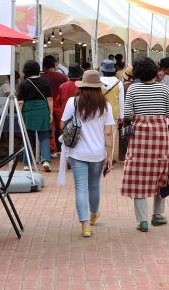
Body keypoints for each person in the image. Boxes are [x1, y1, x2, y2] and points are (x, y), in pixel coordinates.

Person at [121, 57, 169, 232]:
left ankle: (142, 221)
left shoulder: (133, 89)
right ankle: (157, 215)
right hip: (160, 139)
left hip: (139, 140)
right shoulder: (164, 89)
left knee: (138, 177)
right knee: (161, 175)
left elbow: (127, 114)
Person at [59, 70, 115, 237]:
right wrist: (110, 156)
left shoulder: (73, 102)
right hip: (98, 153)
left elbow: (62, 125)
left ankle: (85, 226)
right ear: (99, 87)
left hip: (77, 152)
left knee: (80, 188)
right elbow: (108, 133)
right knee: (94, 185)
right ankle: (93, 215)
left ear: (82, 86)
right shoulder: (106, 105)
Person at [17, 60, 53, 172]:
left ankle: (27, 164)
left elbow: (20, 102)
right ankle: (46, 160)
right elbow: (50, 99)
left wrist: (19, 115)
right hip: (42, 111)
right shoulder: (45, 82)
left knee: (28, 138)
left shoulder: (24, 83)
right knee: (44, 136)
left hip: (28, 112)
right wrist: (51, 113)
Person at [42, 55, 68, 157]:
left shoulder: (43, 78)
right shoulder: (62, 76)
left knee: (50, 128)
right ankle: (65, 148)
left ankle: (53, 150)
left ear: (44, 67)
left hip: (47, 106)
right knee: (63, 127)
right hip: (60, 105)